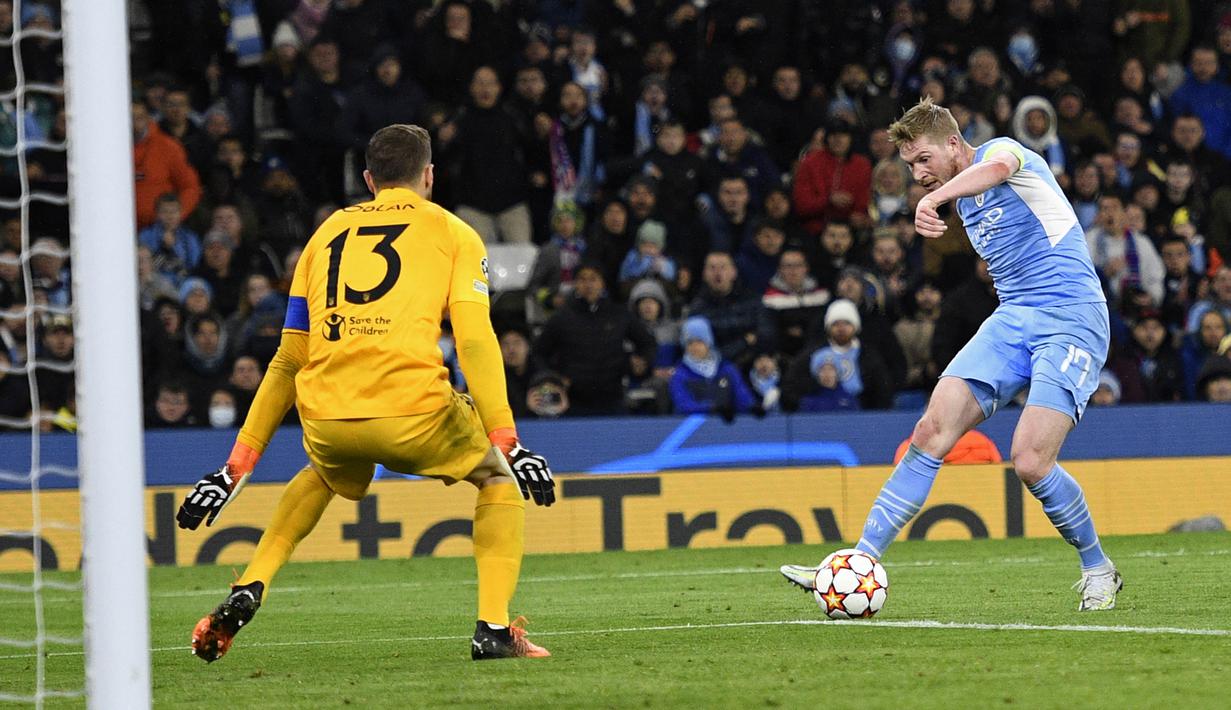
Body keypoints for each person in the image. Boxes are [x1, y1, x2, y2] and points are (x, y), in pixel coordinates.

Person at [176, 124, 555, 663]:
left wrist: (234, 468)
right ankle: (493, 629)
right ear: (429, 176)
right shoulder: (455, 233)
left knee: (325, 473)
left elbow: (287, 359)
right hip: (413, 411)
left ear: (369, 180)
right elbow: (474, 341)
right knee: (496, 477)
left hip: (328, 414)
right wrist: (508, 440)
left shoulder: (324, 234)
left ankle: (252, 582)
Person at [781, 97, 1123, 611]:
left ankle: (1098, 569)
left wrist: (934, 199)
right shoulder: (963, 201)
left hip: (1071, 314)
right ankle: (857, 563)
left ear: (954, 143)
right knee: (929, 431)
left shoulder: (1003, 153)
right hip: (1014, 317)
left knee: (1031, 460)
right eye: (910, 165)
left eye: (924, 159)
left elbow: (997, 168)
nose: (918, 173)